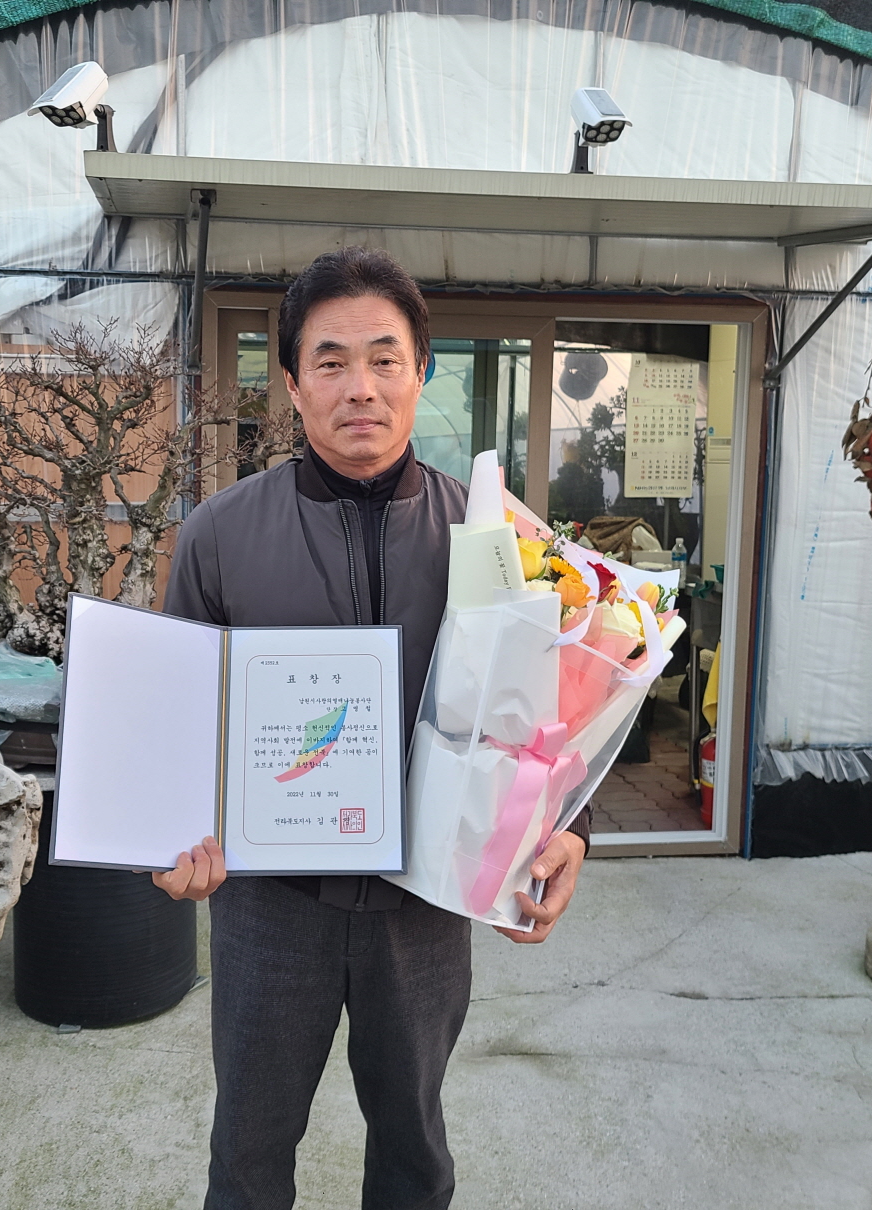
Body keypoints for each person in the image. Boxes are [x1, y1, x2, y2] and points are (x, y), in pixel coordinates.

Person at [156, 246, 589, 1210]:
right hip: (270, 907)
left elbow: (554, 716)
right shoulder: (220, 534)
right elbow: (179, 719)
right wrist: (166, 838)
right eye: (331, 361)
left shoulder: (497, 539)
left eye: (385, 359)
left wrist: (568, 828)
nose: (361, 386)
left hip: (426, 901)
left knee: (413, 1150)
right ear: (291, 383)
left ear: (421, 371)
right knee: (248, 1150)